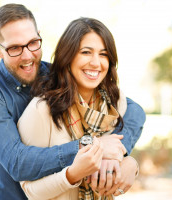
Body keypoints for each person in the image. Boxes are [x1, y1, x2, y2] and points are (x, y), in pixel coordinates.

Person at [0, 3, 146, 200]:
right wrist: (93, 147)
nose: (28, 56)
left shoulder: (56, 76)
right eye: (15, 48)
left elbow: (134, 110)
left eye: (33, 43)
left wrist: (122, 154)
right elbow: (18, 163)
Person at [18, 17, 139, 200]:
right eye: (86, 52)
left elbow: (116, 149)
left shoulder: (115, 102)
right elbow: (30, 190)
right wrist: (73, 174)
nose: (96, 63)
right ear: (68, 56)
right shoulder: (41, 110)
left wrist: (130, 163)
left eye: (104, 54)